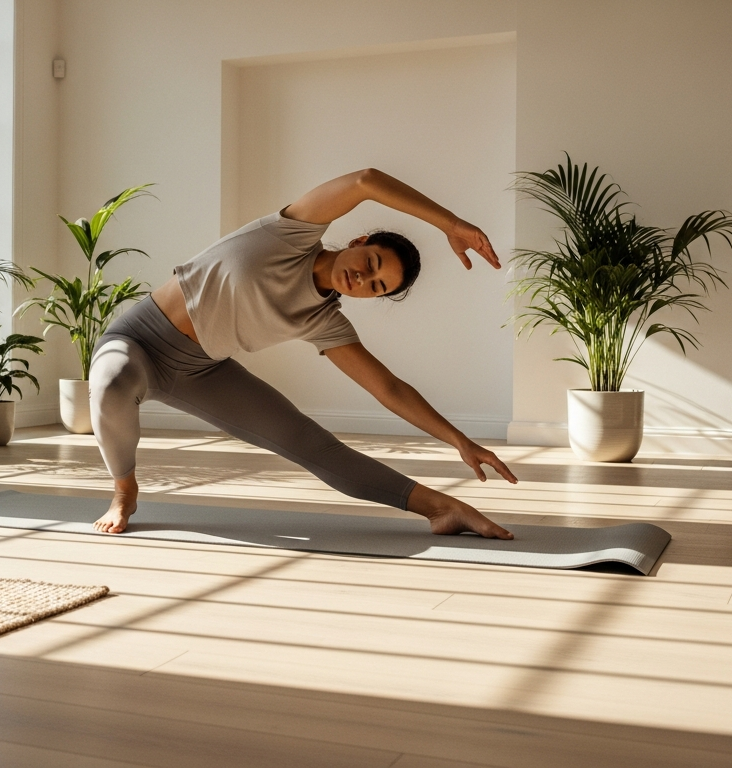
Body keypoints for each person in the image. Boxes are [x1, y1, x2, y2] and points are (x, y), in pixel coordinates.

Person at [88, 168, 519, 537]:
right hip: (138, 340)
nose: (363, 280)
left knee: (312, 444)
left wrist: (459, 441)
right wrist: (450, 223)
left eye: (377, 287)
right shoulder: (291, 233)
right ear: (359, 240)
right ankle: (125, 488)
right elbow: (365, 180)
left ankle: (443, 509)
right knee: (111, 383)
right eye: (370, 263)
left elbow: (388, 387)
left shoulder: (324, 321)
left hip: (201, 372)